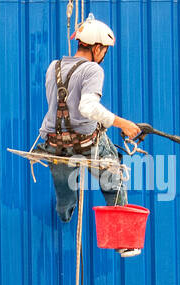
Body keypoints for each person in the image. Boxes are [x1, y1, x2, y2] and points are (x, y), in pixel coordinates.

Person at [32, 14, 143, 255]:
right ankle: (123, 241)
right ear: (98, 48)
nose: (104, 56)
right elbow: (87, 108)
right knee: (113, 177)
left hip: (54, 143)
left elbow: (58, 105)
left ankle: (65, 212)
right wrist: (122, 123)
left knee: (65, 200)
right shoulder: (93, 70)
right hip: (85, 142)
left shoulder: (54, 67)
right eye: (105, 51)